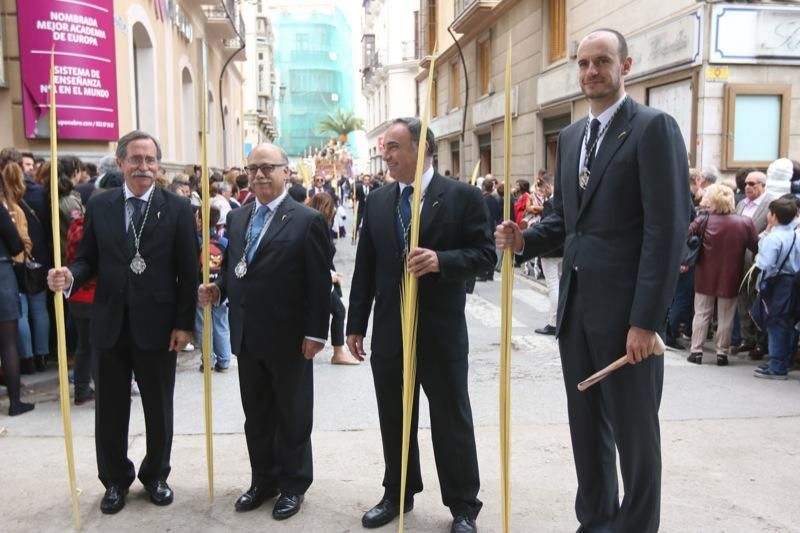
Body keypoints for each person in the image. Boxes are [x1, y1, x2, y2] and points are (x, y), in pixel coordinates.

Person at [495, 29, 689, 532]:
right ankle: (596, 521)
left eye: (601, 61)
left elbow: (664, 232)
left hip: (628, 322)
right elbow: (566, 220)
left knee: (636, 441)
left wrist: (646, 320)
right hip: (576, 314)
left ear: (626, 64)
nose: (590, 72)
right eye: (583, 63)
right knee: (587, 433)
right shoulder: (573, 137)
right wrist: (524, 240)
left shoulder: (653, 128)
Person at [346, 117, 495, 533]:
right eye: (384, 148)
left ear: (421, 148)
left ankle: (464, 505)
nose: (386, 155)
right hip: (392, 332)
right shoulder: (377, 201)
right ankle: (398, 492)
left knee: (451, 418)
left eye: (394, 146)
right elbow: (366, 267)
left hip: (440, 331)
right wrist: (356, 323)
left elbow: (486, 256)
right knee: (394, 415)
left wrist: (442, 261)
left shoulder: (462, 197)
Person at [47, 130, 198, 514]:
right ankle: (115, 480)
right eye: (135, 159)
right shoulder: (100, 205)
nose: (143, 167)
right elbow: (87, 259)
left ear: (158, 166)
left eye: (150, 160)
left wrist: (184, 324)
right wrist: (70, 277)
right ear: (121, 163)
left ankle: (156, 475)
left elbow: (188, 272)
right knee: (110, 408)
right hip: (110, 322)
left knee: (158, 406)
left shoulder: (178, 209)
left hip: (160, 326)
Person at [198, 143, 331, 521]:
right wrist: (218, 288)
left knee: (292, 415)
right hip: (247, 335)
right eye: (253, 168)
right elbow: (234, 269)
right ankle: (263, 480)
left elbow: (318, 284)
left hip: (290, 337)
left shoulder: (306, 220)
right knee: (256, 416)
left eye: (267, 167)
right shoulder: (239, 218)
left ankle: (293, 485)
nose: (258, 174)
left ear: (285, 172)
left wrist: (315, 333)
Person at [686, 184, 757, 365]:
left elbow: (686, 236)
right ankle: (722, 353)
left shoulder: (703, 220)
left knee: (701, 313)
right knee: (726, 315)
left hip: (705, 273)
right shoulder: (745, 222)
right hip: (731, 274)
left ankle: (696, 351)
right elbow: (755, 247)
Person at [306, 192, 360, 365]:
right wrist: (329, 274)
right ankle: (338, 351)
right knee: (338, 310)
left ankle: (337, 350)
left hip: (324, 275)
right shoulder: (315, 224)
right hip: (319, 279)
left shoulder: (316, 223)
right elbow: (315, 256)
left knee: (337, 310)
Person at [752, 197, 800, 379]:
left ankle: (776, 366)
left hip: (777, 283)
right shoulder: (796, 234)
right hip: (793, 282)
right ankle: (783, 361)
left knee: (776, 323)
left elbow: (766, 264)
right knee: (788, 323)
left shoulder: (774, 238)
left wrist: (758, 257)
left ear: (773, 215)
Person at [734, 170, 775, 359]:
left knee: (757, 299)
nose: (748, 187)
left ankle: (760, 340)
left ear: (763, 186)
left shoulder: (770, 204)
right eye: (746, 184)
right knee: (742, 297)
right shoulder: (741, 203)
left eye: (753, 184)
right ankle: (746, 337)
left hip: (758, 258)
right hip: (738, 258)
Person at [194, 205, 232, 373]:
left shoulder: (196, 241)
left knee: (203, 325)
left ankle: (208, 360)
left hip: (201, 286)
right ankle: (224, 360)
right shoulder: (224, 242)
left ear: (201, 219)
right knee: (221, 323)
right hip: (220, 286)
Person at [534, 174, 563, 335]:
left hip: (551, 250)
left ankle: (553, 321)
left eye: (542, 187)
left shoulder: (550, 203)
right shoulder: (565, 200)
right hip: (563, 250)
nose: (541, 190)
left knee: (553, 285)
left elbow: (546, 227)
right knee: (559, 283)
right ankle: (558, 319)